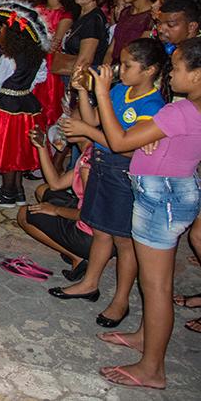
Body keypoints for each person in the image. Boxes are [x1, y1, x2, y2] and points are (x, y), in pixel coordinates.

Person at [81, 40, 201, 391]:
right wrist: (155, 140)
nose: (171, 73)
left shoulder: (180, 111)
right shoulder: (186, 110)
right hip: (172, 192)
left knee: (157, 288)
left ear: (197, 75)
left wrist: (102, 91)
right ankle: (145, 338)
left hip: (160, 198)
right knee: (155, 286)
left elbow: (118, 142)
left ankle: (152, 369)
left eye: (177, 68)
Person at [56, 39, 168, 329]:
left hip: (125, 173)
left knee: (125, 241)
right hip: (103, 167)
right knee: (102, 231)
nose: (120, 69)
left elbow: (127, 147)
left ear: (150, 71)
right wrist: (83, 93)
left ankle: (121, 299)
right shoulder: (120, 90)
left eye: (128, 65)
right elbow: (95, 121)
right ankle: (89, 283)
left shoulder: (153, 105)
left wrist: (86, 131)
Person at [0, 0, 51, 207]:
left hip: (7, 108)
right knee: (18, 149)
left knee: (7, 150)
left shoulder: (9, 58)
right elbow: (41, 77)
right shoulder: (36, 57)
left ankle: (8, 193)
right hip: (27, 105)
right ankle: (17, 190)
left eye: (2, 29)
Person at [18, 135, 94, 282]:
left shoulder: (88, 164)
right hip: (91, 222)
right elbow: (55, 184)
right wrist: (41, 147)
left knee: (24, 214)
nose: (64, 122)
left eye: (71, 117)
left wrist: (55, 210)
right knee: (43, 190)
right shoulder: (91, 151)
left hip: (92, 237)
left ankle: (77, 258)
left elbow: (89, 215)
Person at [33, 0, 76, 128]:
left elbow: (53, 45)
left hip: (49, 66)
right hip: (32, 60)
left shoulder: (64, 16)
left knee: (45, 105)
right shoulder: (37, 10)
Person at [105, 0, 157, 66]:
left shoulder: (151, 17)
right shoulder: (126, 12)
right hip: (113, 68)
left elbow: (139, 56)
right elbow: (111, 48)